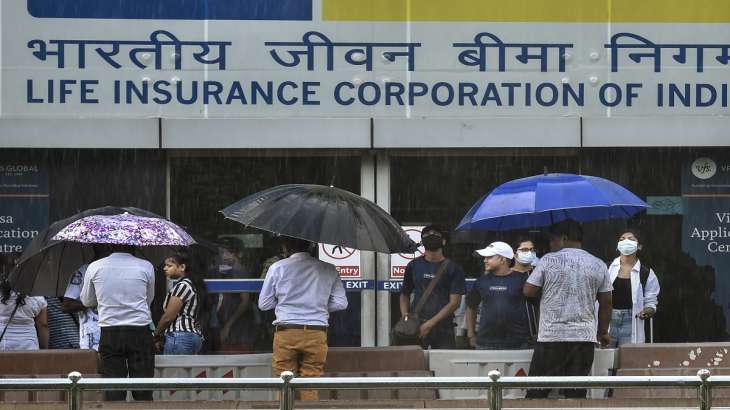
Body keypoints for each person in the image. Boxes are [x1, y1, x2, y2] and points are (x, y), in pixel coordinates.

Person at [523, 220, 612, 399]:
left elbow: (528, 290)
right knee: (576, 392)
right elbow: (607, 301)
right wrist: (602, 332)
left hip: (551, 337)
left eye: (552, 241)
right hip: (583, 338)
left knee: (537, 391)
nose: (551, 245)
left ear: (563, 238)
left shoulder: (548, 260)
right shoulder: (598, 264)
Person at [258, 236, 348, 401]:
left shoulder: (277, 268)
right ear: (311, 246)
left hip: (287, 331)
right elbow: (341, 303)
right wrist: (317, 306)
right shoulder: (329, 269)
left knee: (284, 380)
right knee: (311, 380)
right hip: (316, 332)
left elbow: (264, 304)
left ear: (286, 246)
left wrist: (285, 303)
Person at [80, 245, 155, 401]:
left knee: (114, 387)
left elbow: (87, 301)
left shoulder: (95, 266)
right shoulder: (146, 266)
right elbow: (149, 300)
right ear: (134, 245)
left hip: (110, 331)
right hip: (140, 330)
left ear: (109, 246)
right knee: (143, 387)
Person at [399, 225, 466, 349]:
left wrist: (430, 324)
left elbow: (454, 303)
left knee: (444, 366)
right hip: (416, 326)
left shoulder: (454, 268)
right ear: (422, 242)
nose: (431, 236)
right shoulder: (413, 266)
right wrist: (405, 317)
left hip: (444, 327)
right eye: (426, 235)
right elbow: (404, 294)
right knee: (415, 365)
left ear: (444, 241)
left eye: (435, 234)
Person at [465, 241, 531, 350]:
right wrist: (471, 335)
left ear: (502, 259)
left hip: (517, 343)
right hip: (485, 343)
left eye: (489, 257)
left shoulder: (522, 279)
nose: (485, 260)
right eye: (485, 257)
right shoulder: (481, 281)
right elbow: (471, 306)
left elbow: (538, 307)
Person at [607, 229, 660, 346]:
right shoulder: (606, 268)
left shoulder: (646, 273)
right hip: (607, 319)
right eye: (622, 239)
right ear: (617, 245)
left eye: (631, 239)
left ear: (639, 246)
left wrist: (647, 311)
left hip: (631, 321)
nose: (626, 242)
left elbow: (651, 303)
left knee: (628, 359)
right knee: (605, 358)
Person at [153, 252, 206, 354]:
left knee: (173, 370)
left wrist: (156, 334)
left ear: (182, 267)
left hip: (180, 336)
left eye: (169, 265)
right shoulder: (191, 284)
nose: (165, 268)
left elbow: (168, 316)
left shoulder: (182, 286)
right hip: (191, 336)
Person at [0, 278, 48, 350]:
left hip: (3, 343)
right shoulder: (37, 297)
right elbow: (43, 325)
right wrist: (44, 349)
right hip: (29, 345)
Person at [63, 263, 101, 351]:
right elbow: (67, 305)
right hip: (92, 339)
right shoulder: (84, 271)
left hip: (117, 335)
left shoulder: (120, 270)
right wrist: (93, 302)